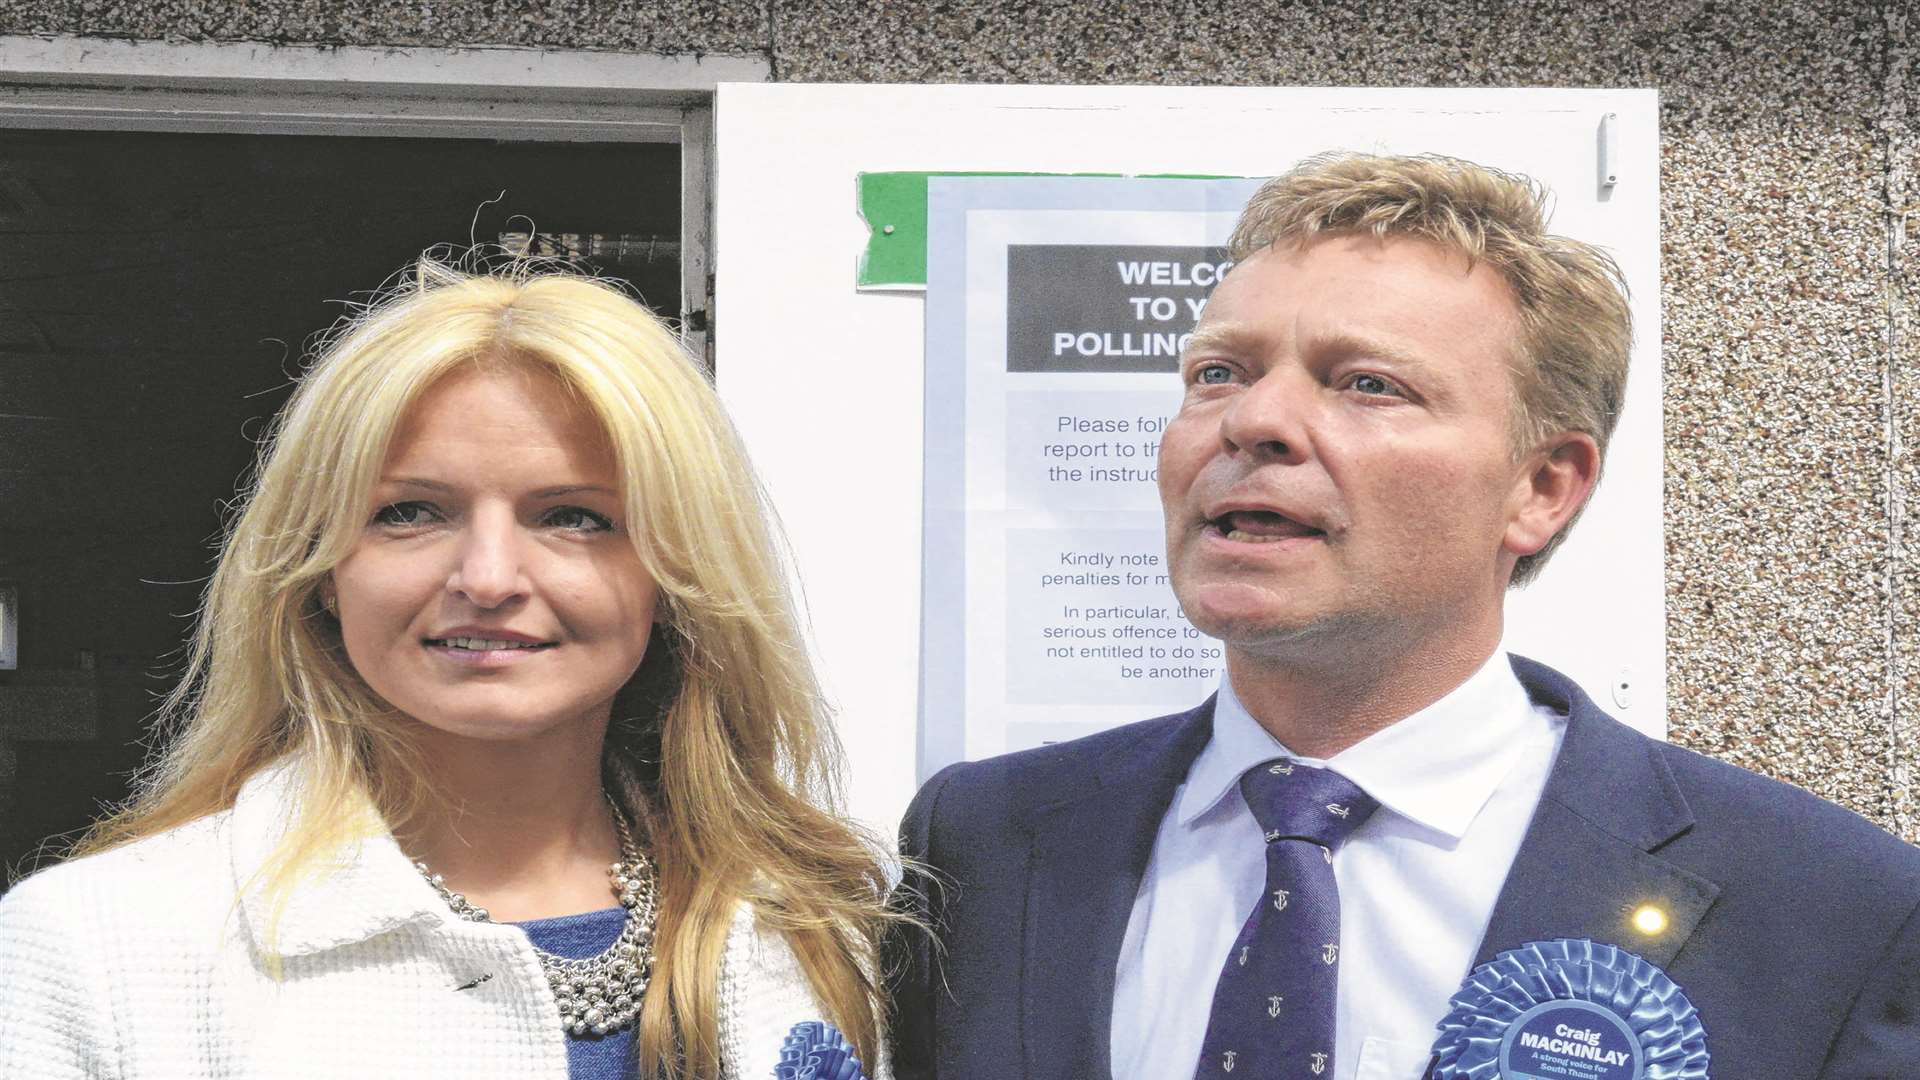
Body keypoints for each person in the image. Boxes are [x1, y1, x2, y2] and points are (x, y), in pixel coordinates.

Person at [887, 154, 1920, 1079]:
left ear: (1543, 488)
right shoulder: (986, 841)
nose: (1253, 421)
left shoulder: (1826, 906)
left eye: (1367, 385)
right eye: (1217, 373)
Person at [0, 261, 893, 1080]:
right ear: (319, 573)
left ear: (676, 576)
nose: (490, 579)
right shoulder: (94, 950)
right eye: (411, 512)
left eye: (576, 516)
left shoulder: (817, 924)